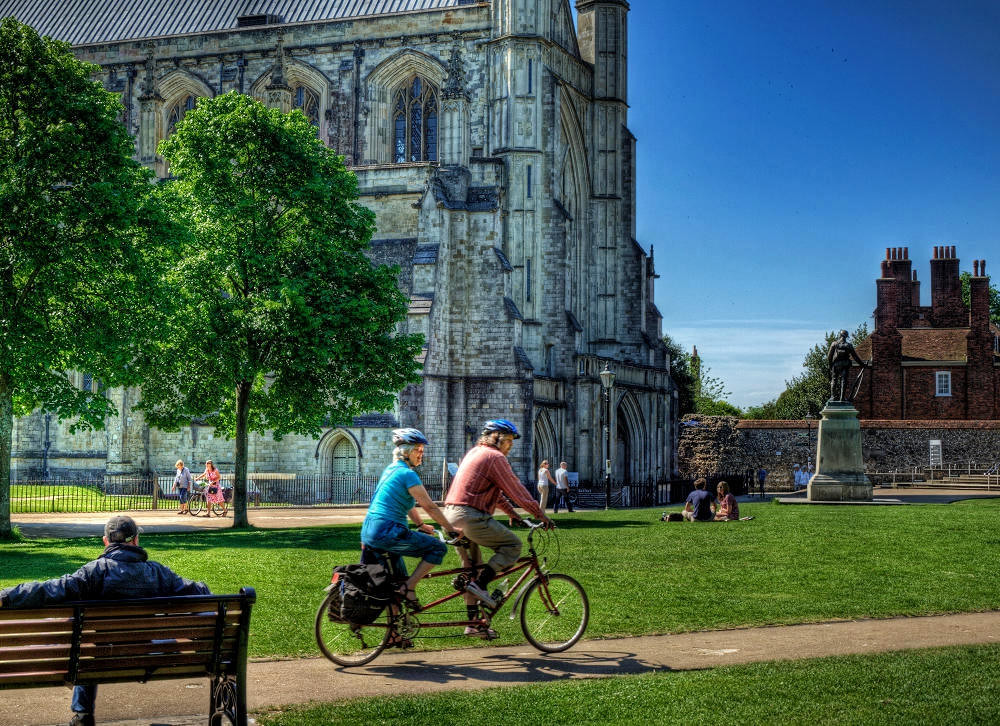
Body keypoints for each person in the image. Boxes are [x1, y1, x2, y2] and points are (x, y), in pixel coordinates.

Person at [0, 515, 210, 726]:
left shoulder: (94, 572)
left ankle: (83, 716)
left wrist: (7, 596)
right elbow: (198, 591)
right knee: (170, 642)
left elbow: (51, 589)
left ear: (106, 542)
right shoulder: (157, 573)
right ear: (136, 540)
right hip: (146, 655)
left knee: (86, 653)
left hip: (101, 658)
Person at [444, 419, 553, 638]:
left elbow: (499, 494)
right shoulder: (495, 457)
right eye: (508, 440)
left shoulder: (475, 453)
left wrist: (513, 514)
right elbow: (516, 490)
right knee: (513, 545)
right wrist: (540, 514)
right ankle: (481, 586)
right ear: (495, 437)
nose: (510, 445)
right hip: (471, 516)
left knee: (472, 571)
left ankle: (474, 624)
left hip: (451, 516)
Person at [361, 429, 460, 609]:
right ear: (406, 452)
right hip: (388, 531)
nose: (421, 455)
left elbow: (409, 505)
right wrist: (450, 529)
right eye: (418, 450)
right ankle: (409, 588)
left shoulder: (391, 470)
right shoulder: (408, 474)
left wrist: (421, 524)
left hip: (370, 531)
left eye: (422, 450)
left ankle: (395, 636)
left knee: (395, 583)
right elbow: (430, 506)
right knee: (437, 548)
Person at [828, 328, 868, 402]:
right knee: (844, 380)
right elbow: (855, 357)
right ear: (846, 336)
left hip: (836, 364)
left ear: (840, 335)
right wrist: (862, 365)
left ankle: (832, 397)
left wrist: (831, 366)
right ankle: (842, 398)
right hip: (845, 364)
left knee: (834, 380)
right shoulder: (849, 345)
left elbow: (829, 356)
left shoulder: (834, 343)